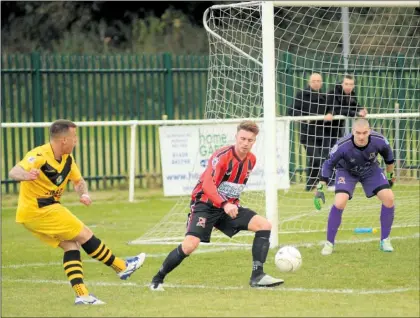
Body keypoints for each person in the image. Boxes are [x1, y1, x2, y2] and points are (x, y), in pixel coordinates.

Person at [8, 119, 146, 305]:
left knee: (71, 246)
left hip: (38, 213)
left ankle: (82, 295)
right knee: (84, 234)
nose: (76, 141)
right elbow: (14, 171)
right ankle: (122, 267)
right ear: (64, 140)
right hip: (39, 209)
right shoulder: (39, 155)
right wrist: (27, 175)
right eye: (74, 137)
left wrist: (84, 194)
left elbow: (79, 181)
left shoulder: (68, 160)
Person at [149, 120, 283, 291]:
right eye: (242, 138)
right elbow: (207, 185)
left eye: (250, 140)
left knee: (264, 225)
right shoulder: (222, 157)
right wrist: (225, 203)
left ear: (254, 141)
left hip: (227, 207)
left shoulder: (251, 160)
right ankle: (157, 278)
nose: (245, 143)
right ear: (236, 137)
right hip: (205, 204)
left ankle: (258, 276)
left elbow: (234, 186)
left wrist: (231, 204)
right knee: (190, 245)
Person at [314, 119, 396, 255]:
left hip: (370, 170)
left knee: (389, 198)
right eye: (358, 133)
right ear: (353, 132)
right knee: (340, 201)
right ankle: (329, 243)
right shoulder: (342, 145)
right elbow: (328, 164)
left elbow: (389, 157)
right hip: (346, 171)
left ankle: (385, 240)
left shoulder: (379, 140)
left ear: (369, 131)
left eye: (364, 133)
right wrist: (320, 188)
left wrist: (389, 176)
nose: (361, 136)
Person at [288, 73, 334, 191]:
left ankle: (312, 185)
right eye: (314, 81)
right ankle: (312, 185)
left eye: (319, 81)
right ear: (309, 82)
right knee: (316, 158)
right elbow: (291, 110)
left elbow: (331, 108)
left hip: (322, 133)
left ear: (322, 82)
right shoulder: (301, 95)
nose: (316, 83)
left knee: (322, 159)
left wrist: (330, 113)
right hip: (307, 134)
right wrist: (305, 117)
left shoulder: (325, 96)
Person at [326, 75, 368, 141]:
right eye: (346, 84)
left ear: (353, 86)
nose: (348, 86)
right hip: (325, 126)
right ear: (342, 84)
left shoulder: (352, 94)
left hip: (338, 126)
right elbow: (337, 110)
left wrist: (361, 109)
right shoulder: (333, 93)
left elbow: (355, 105)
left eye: (351, 84)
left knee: (338, 147)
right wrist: (356, 113)